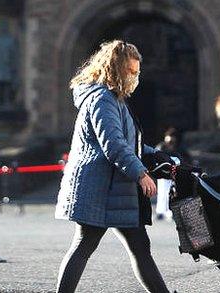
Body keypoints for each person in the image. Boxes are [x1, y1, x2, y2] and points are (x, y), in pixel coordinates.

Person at [55, 40, 173, 293]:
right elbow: (114, 144)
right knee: (84, 245)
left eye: (137, 72)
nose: (135, 77)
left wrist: (159, 157)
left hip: (116, 189)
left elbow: (131, 143)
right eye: (131, 71)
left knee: (140, 247)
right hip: (98, 188)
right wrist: (141, 173)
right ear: (115, 69)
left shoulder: (115, 99)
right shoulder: (101, 99)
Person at [153, 127, 189, 221]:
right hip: (163, 173)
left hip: (174, 173)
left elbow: (184, 159)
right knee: (162, 192)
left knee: (172, 192)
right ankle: (161, 211)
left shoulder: (179, 149)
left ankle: (170, 211)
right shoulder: (161, 147)